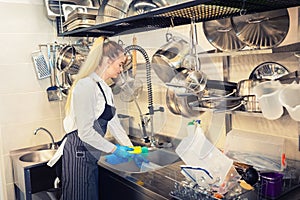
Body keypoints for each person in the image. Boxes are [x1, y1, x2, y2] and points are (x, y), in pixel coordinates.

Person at [60, 36, 147, 200]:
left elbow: (114, 125)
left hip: (90, 154)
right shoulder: (85, 86)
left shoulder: (105, 88)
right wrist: (115, 150)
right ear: (108, 61)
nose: (121, 69)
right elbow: (85, 133)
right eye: (120, 64)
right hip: (79, 154)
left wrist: (130, 149)